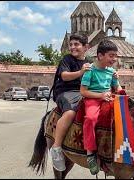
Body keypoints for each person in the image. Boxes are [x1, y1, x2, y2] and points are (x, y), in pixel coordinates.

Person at [50, 34, 91, 172]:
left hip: (82, 92)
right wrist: (80, 72)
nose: (73, 47)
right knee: (70, 112)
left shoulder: (90, 62)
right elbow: (64, 76)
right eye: (71, 44)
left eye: (76, 44)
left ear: (86, 47)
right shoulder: (67, 59)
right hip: (65, 92)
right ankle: (56, 147)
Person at [80, 40, 122, 175]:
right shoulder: (90, 71)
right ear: (100, 56)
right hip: (92, 99)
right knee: (91, 118)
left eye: (115, 56)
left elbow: (118, 88)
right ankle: (90, 153)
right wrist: (101, 95)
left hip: (108, 98)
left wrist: (119, 87)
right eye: (111, 56)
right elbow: (83, 91)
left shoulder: (111, 72)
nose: (114, 59)